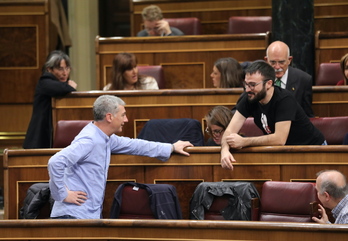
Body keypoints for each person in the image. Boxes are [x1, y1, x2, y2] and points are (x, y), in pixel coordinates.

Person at [47, 95, 193, 219]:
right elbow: (55, 162)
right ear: (109, 117)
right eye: (123, 115)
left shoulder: (106, 138)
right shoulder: (89, 140)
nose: (126, 119)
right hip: (72, 215)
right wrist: (62, 194)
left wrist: (172, 147)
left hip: (86, 215)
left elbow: (136, 145)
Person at [220, 61, 326, 170]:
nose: (247, 89)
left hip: (313, 148)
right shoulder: (249, 97)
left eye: (252, 85)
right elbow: (229, 131)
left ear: (269, 84)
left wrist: (244, 142)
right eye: (246, 84)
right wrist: (224, 150)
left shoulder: (285, 100)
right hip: (287, 151)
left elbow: (279, 139)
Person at [23, 50, 77, 149]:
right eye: (60, 69)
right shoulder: (45, 82)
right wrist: (71, 87)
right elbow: (64, 88)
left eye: (67, 68)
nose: (65, 73)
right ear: (49, 69)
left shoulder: (58, 83)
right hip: (39, 138)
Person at [264, 41, 314, 117]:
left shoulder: (303, 80)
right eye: (273, 62)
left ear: (289, 60)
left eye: (281, 62)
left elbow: (307, 115)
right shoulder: (258, 80)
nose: (277, 67)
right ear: (266, 60)